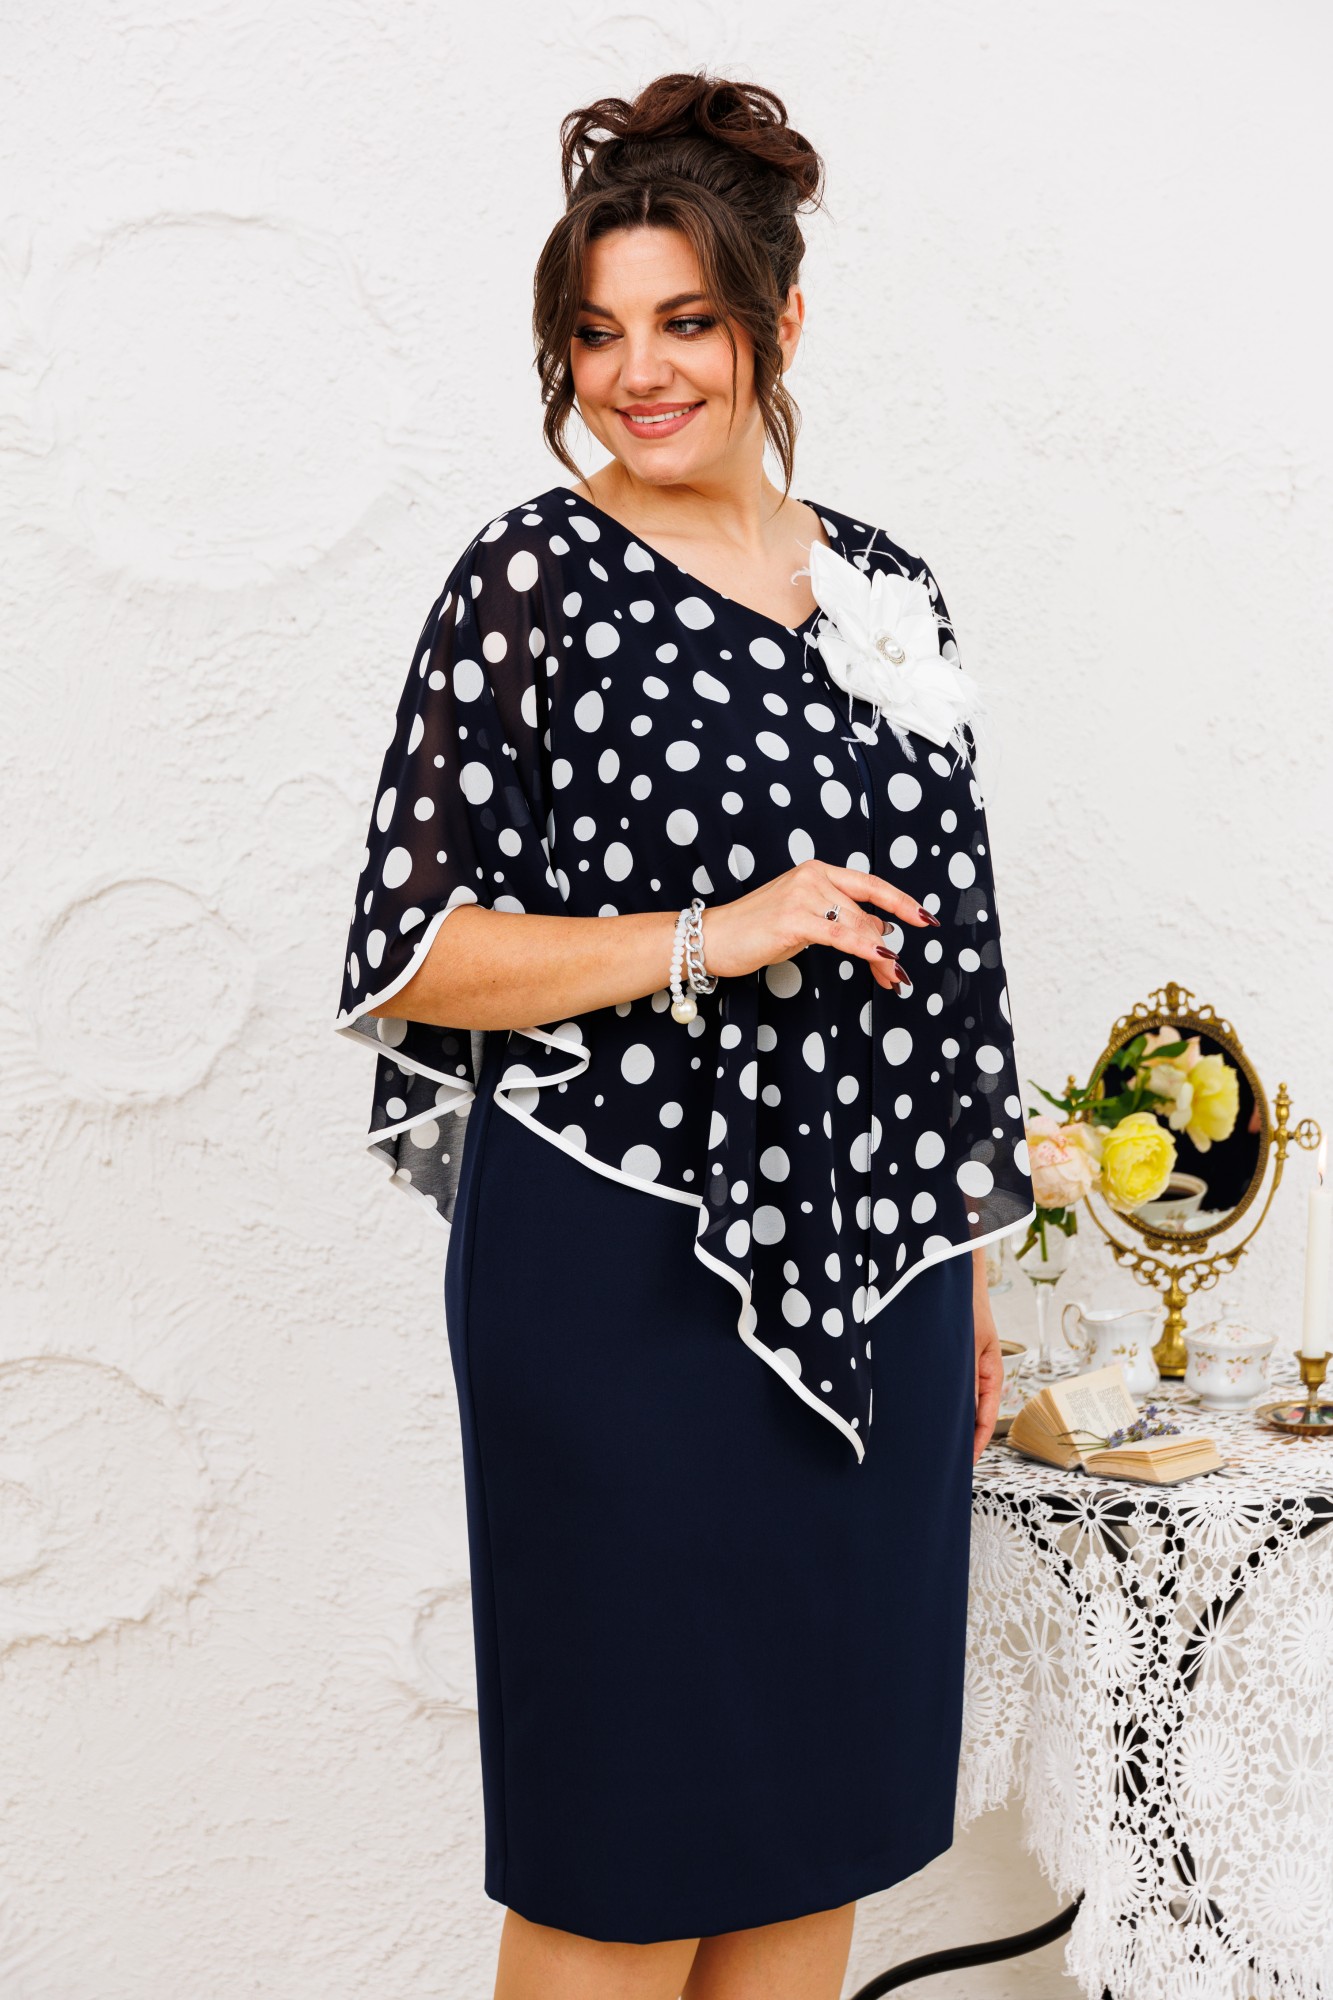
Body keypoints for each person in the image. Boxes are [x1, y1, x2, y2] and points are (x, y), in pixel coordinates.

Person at [332, 69, 1034, 2000]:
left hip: (880, 1274)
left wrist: (967, 1269)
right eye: (596, 333)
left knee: (818, 1828)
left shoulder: (890, 589)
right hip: (613, 1272)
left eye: (686, 323)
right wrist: (717, 936)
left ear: (778, 324)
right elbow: (414, 955)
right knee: (625, 1862)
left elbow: (954, 965)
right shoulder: (532, 577)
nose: (636, 375)